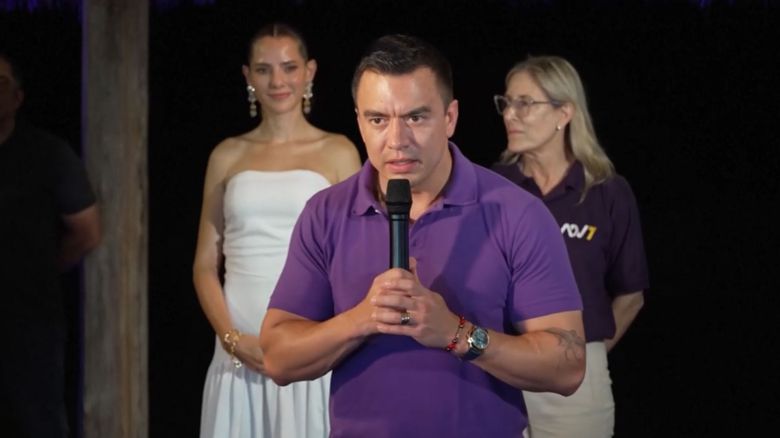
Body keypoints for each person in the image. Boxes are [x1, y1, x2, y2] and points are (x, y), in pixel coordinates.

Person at [259, 34, 587, 438]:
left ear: (450, 118)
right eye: (378, 120)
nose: (397, 140)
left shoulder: (517, 213)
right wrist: (362, 319)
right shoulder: (325, 213)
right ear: (359, 121)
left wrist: (455, 333)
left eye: (416, 117)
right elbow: (278, 359)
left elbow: (568, 367)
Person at [193, 23, 362, 438]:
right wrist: (232, 339)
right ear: (248, 76)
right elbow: (204, 264)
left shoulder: (339, 152)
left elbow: (356, 259)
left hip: (310, 345)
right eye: (264, 69)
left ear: (309, 71)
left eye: (289, 67)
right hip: (239, 353)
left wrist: (327, 338)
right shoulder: (226, 155)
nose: (277, 81)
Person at [490, 55, 649, 438]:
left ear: (564, 112)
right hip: (500, 370)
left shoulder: (606, 192)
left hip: (575, 385)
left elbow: (631, 295)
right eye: (506, 103)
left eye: (525, 103)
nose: (510, 114)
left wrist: (579, 358)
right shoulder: (494, 189)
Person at [0, 52, 101, 438]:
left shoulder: (47, 154)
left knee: (39, 422)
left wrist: (43, 266)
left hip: (30, 321)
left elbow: (87, 231)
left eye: (1, 84)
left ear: (18, 97)